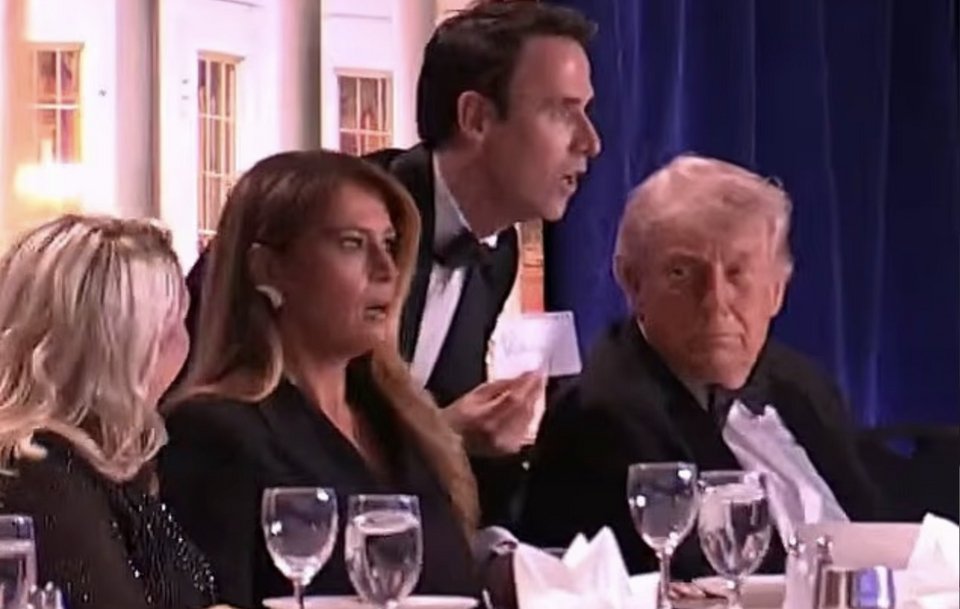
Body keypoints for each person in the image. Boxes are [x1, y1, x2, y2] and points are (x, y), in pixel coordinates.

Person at [520, 155, 884, 578]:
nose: (715, 302)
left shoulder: (806, 387)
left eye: (737, 272)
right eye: (681, 273)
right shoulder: (601, 418)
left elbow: (879, 534)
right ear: (633, 283)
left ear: (777, 290)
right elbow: (688, 582)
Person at [159, 150, 481, 609]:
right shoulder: (213, 432)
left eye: (389, 244)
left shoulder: (405, 420)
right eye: (352, 244)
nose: (386, 270)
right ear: (268, 269)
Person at [0, 215, 223, 609]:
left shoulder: (100, 465)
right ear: (125, 347)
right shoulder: (41, 475)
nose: (185, 344)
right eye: (173, 326)